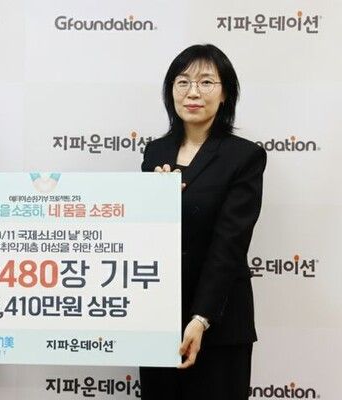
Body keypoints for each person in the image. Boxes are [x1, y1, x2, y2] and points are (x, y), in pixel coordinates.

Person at [139, 44, 267, 400]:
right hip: (158, 319)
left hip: (218, 321)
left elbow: (229, 244)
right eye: (183, 82)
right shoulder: (155, 152)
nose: (193, 92)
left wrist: (201, 318)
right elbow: (143, 235)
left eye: (206, 82)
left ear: (225, 94)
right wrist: (154, 202)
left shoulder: (245, 156)